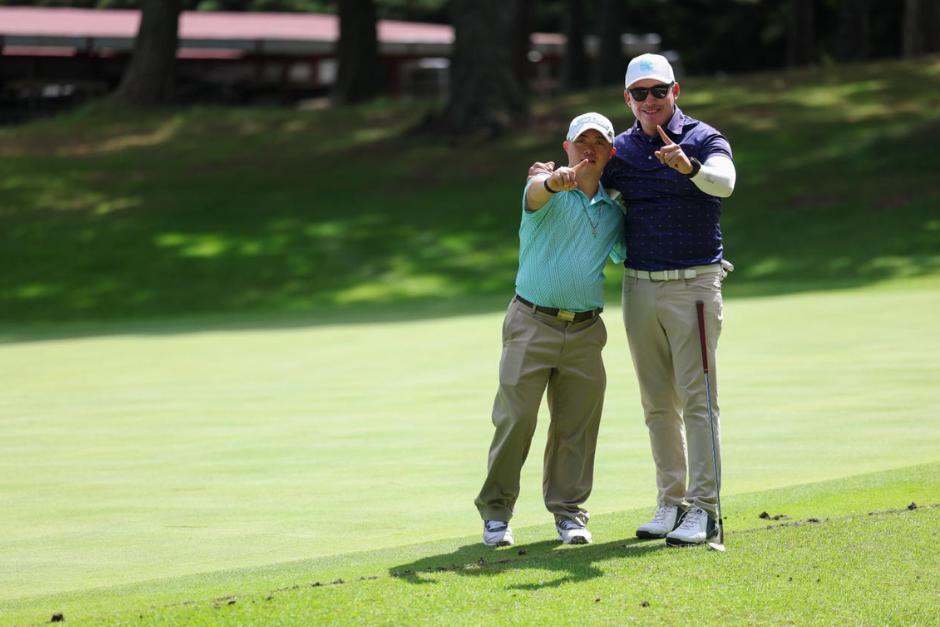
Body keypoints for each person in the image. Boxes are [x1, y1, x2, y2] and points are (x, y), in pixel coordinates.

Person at [530, 53, 737, 547]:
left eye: (658, 91)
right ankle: (672, 501)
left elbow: (725, 185)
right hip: (640, 285)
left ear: (675, 92)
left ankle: (705, 510)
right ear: (628, 99)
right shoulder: (620, 150)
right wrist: (545, 177)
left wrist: (688, 167)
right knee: (656, 405)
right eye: (639, 93)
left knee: (697, 401)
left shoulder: (704, 139)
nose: (650, 100)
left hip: (694, 286)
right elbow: (585, 179)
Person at [475, 112, 626, 547]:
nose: (589, 149)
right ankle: (496, 514)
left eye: (598, 143)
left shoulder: (615, 210)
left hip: (585, 331)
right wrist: (554, 181)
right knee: (516, 419)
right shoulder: (544, 189)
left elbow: (625, 251)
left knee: (575, 427)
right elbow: (537, 192)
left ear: (609, 153)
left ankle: (569, 513)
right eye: (582, 142)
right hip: (531, 322)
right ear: (567, 147)